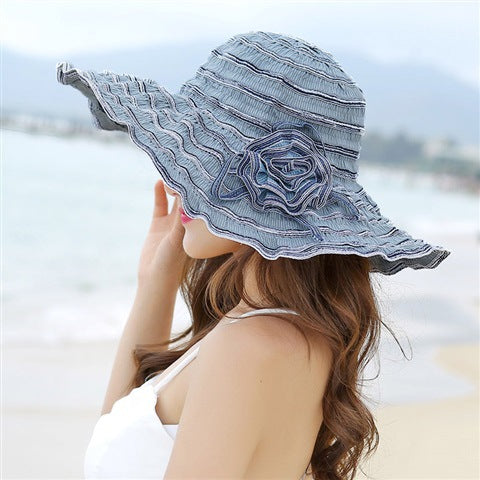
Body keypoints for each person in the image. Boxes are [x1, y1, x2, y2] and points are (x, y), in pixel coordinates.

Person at [56, 30, 450, 479]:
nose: (179, 180)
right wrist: (157, 281)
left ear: (257, 200)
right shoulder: (283, 334)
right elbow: (115, 442)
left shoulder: (246, 345)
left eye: (201, 162)